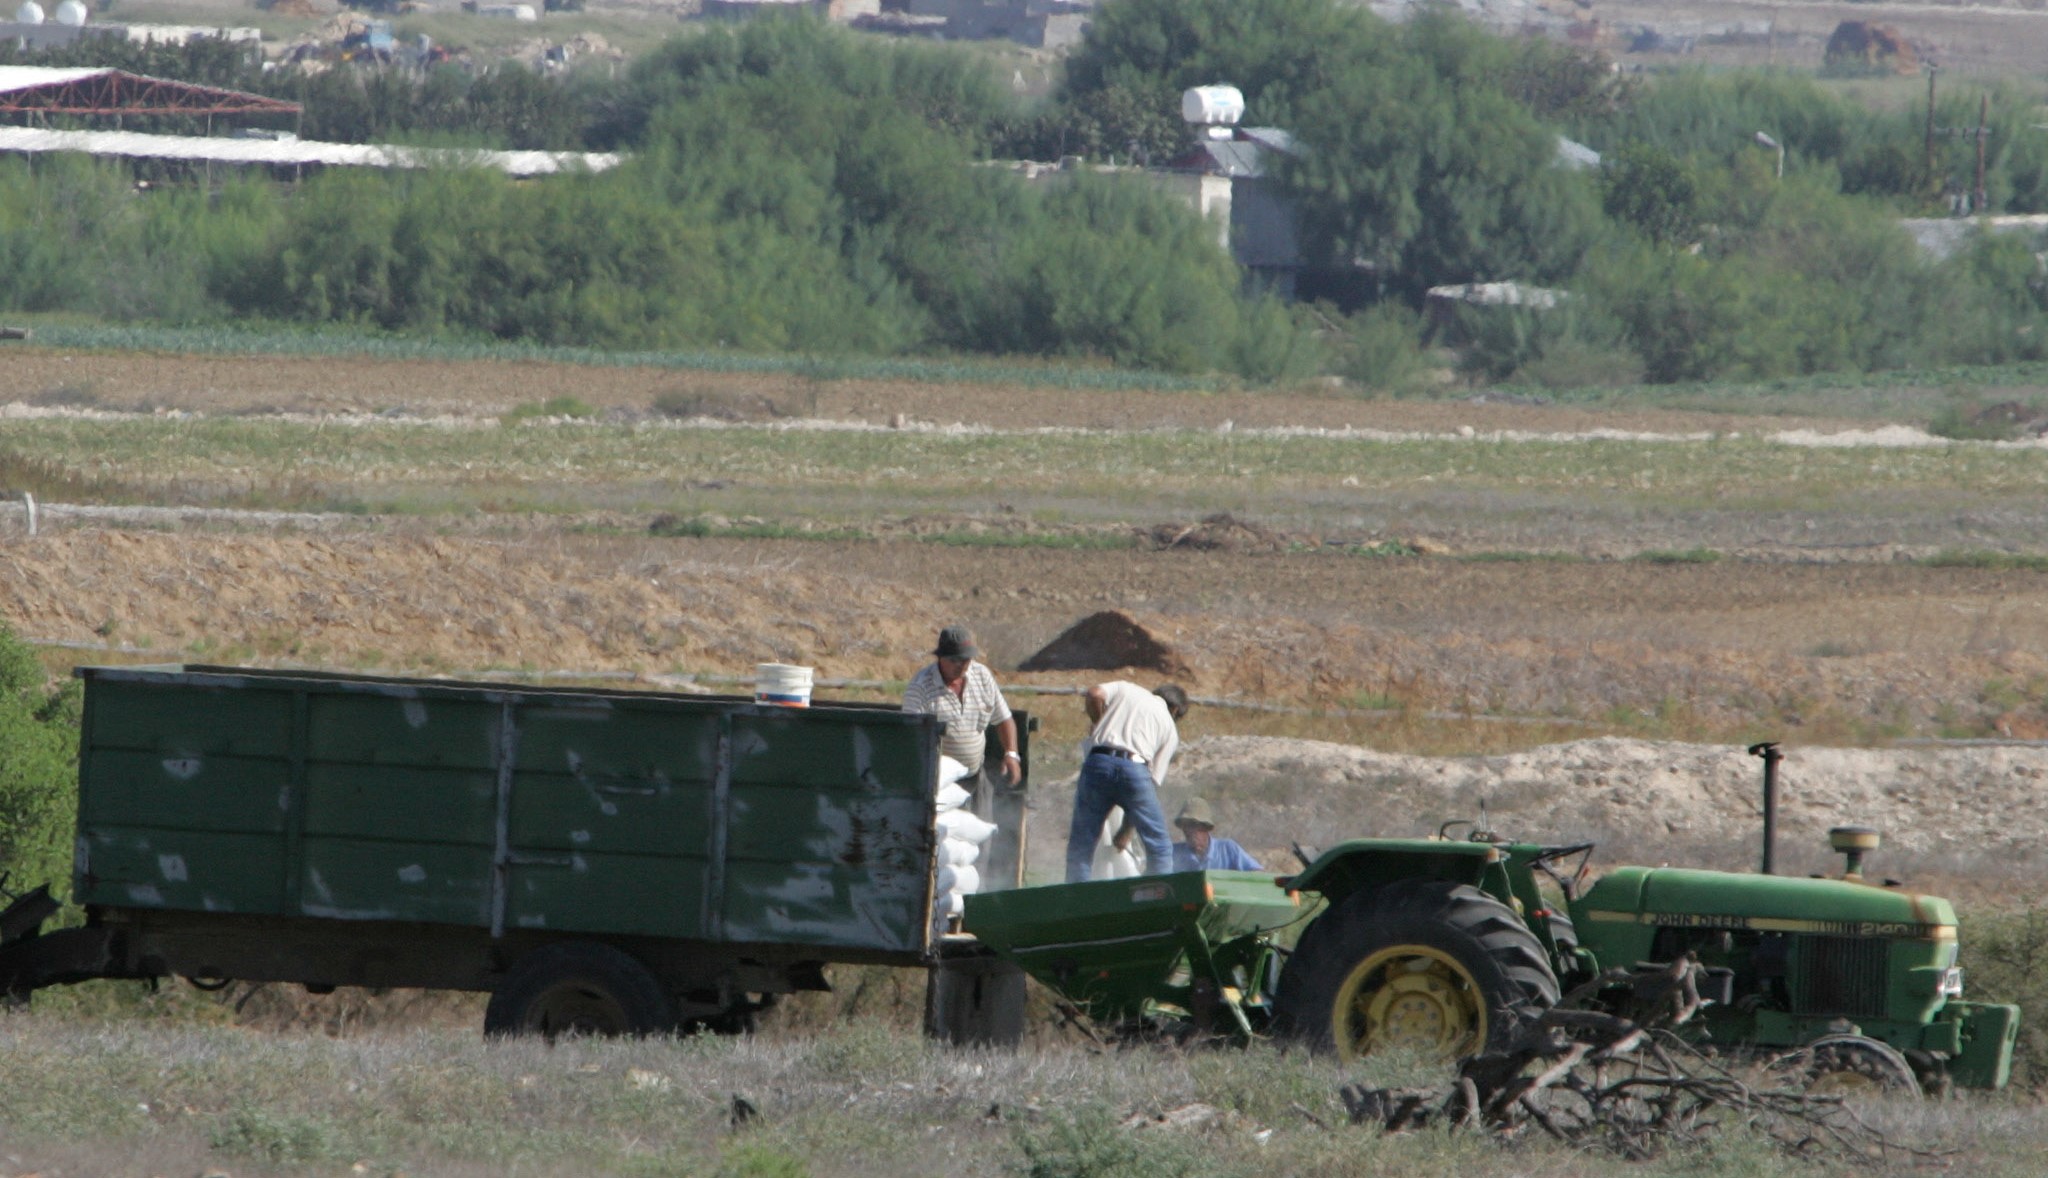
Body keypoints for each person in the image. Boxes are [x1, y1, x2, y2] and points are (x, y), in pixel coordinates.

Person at [1064, 681, 1189, 882]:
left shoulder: (1127, 689)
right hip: (1136, 769)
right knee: (1160, 847)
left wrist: (1099, 723)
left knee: (1082, 844)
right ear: (1174, 709)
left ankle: (1074, 901)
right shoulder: (1169, 727)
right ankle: (1156, 897)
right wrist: (1126, 831)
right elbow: (1152, 782)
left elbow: (1095, 694)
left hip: (1098, 762)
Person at [902, 625, 1020, 786]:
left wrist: (1011, 754)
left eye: (966, 660)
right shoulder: (920, 688)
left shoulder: (982, 676)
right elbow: (912, 740)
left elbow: (1003, 719)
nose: (962, 665)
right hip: (939, 783)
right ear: (941, 658)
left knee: (982, 812)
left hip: (976, 775)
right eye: (955, 660)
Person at [1169, 797, 1262, 872]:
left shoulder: (1227, 849)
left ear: (1206, 827)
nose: (1189, 830)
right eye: (1185, 826)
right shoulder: (1173, 853)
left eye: (1193, 825)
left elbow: (1257, 874)